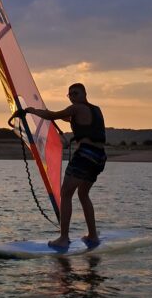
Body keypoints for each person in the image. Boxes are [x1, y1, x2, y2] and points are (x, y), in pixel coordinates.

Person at [13, 83, 106, 250]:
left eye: (75, 93)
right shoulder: (95, 110)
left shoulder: (76, 108)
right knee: (83, 194)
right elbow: (66, 117)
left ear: (84, 93)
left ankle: (63, 238)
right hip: (99, 157)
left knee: (65, 193)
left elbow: (52, 115)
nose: (72, 96)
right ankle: (93, 236)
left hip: (85, 155)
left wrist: (30, 111)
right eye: (69, 94)